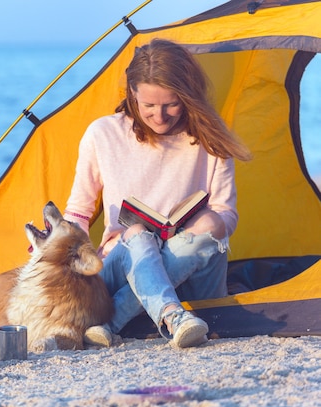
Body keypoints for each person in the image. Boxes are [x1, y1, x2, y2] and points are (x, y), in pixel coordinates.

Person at [64, 38, 252, 348]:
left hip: (191, 265)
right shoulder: (103, 134)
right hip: (123, 263)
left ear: (188, 95)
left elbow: (226, 214)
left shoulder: (210, 139)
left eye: (171, 104)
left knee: (212, 224)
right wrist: (59, 253)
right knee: (137, 231)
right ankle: (173, 317)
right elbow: (79, 211)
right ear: (132, 93)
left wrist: (192, 229)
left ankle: (112, 322)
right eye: (148, 105)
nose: (160, 115)